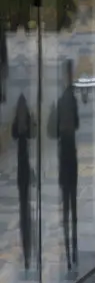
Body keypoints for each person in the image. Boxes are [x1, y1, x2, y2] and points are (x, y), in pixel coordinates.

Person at [49, 60, 79, 271]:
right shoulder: (71, 99)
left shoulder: (61, 100)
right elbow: (76, 123)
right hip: (71, 153)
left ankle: (69, 245)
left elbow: (53, 132)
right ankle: (72, 245)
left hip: (64, 154)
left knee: (67, 201)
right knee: (71, 200)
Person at [12, 93, 34, 272]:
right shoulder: (26, 123)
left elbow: (14, 135)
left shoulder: (17, 126)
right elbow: (32, 134)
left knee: (23, 204)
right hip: (24, 167)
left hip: (21, 170)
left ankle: (27, 253)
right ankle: (28, 251)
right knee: (26, 204)